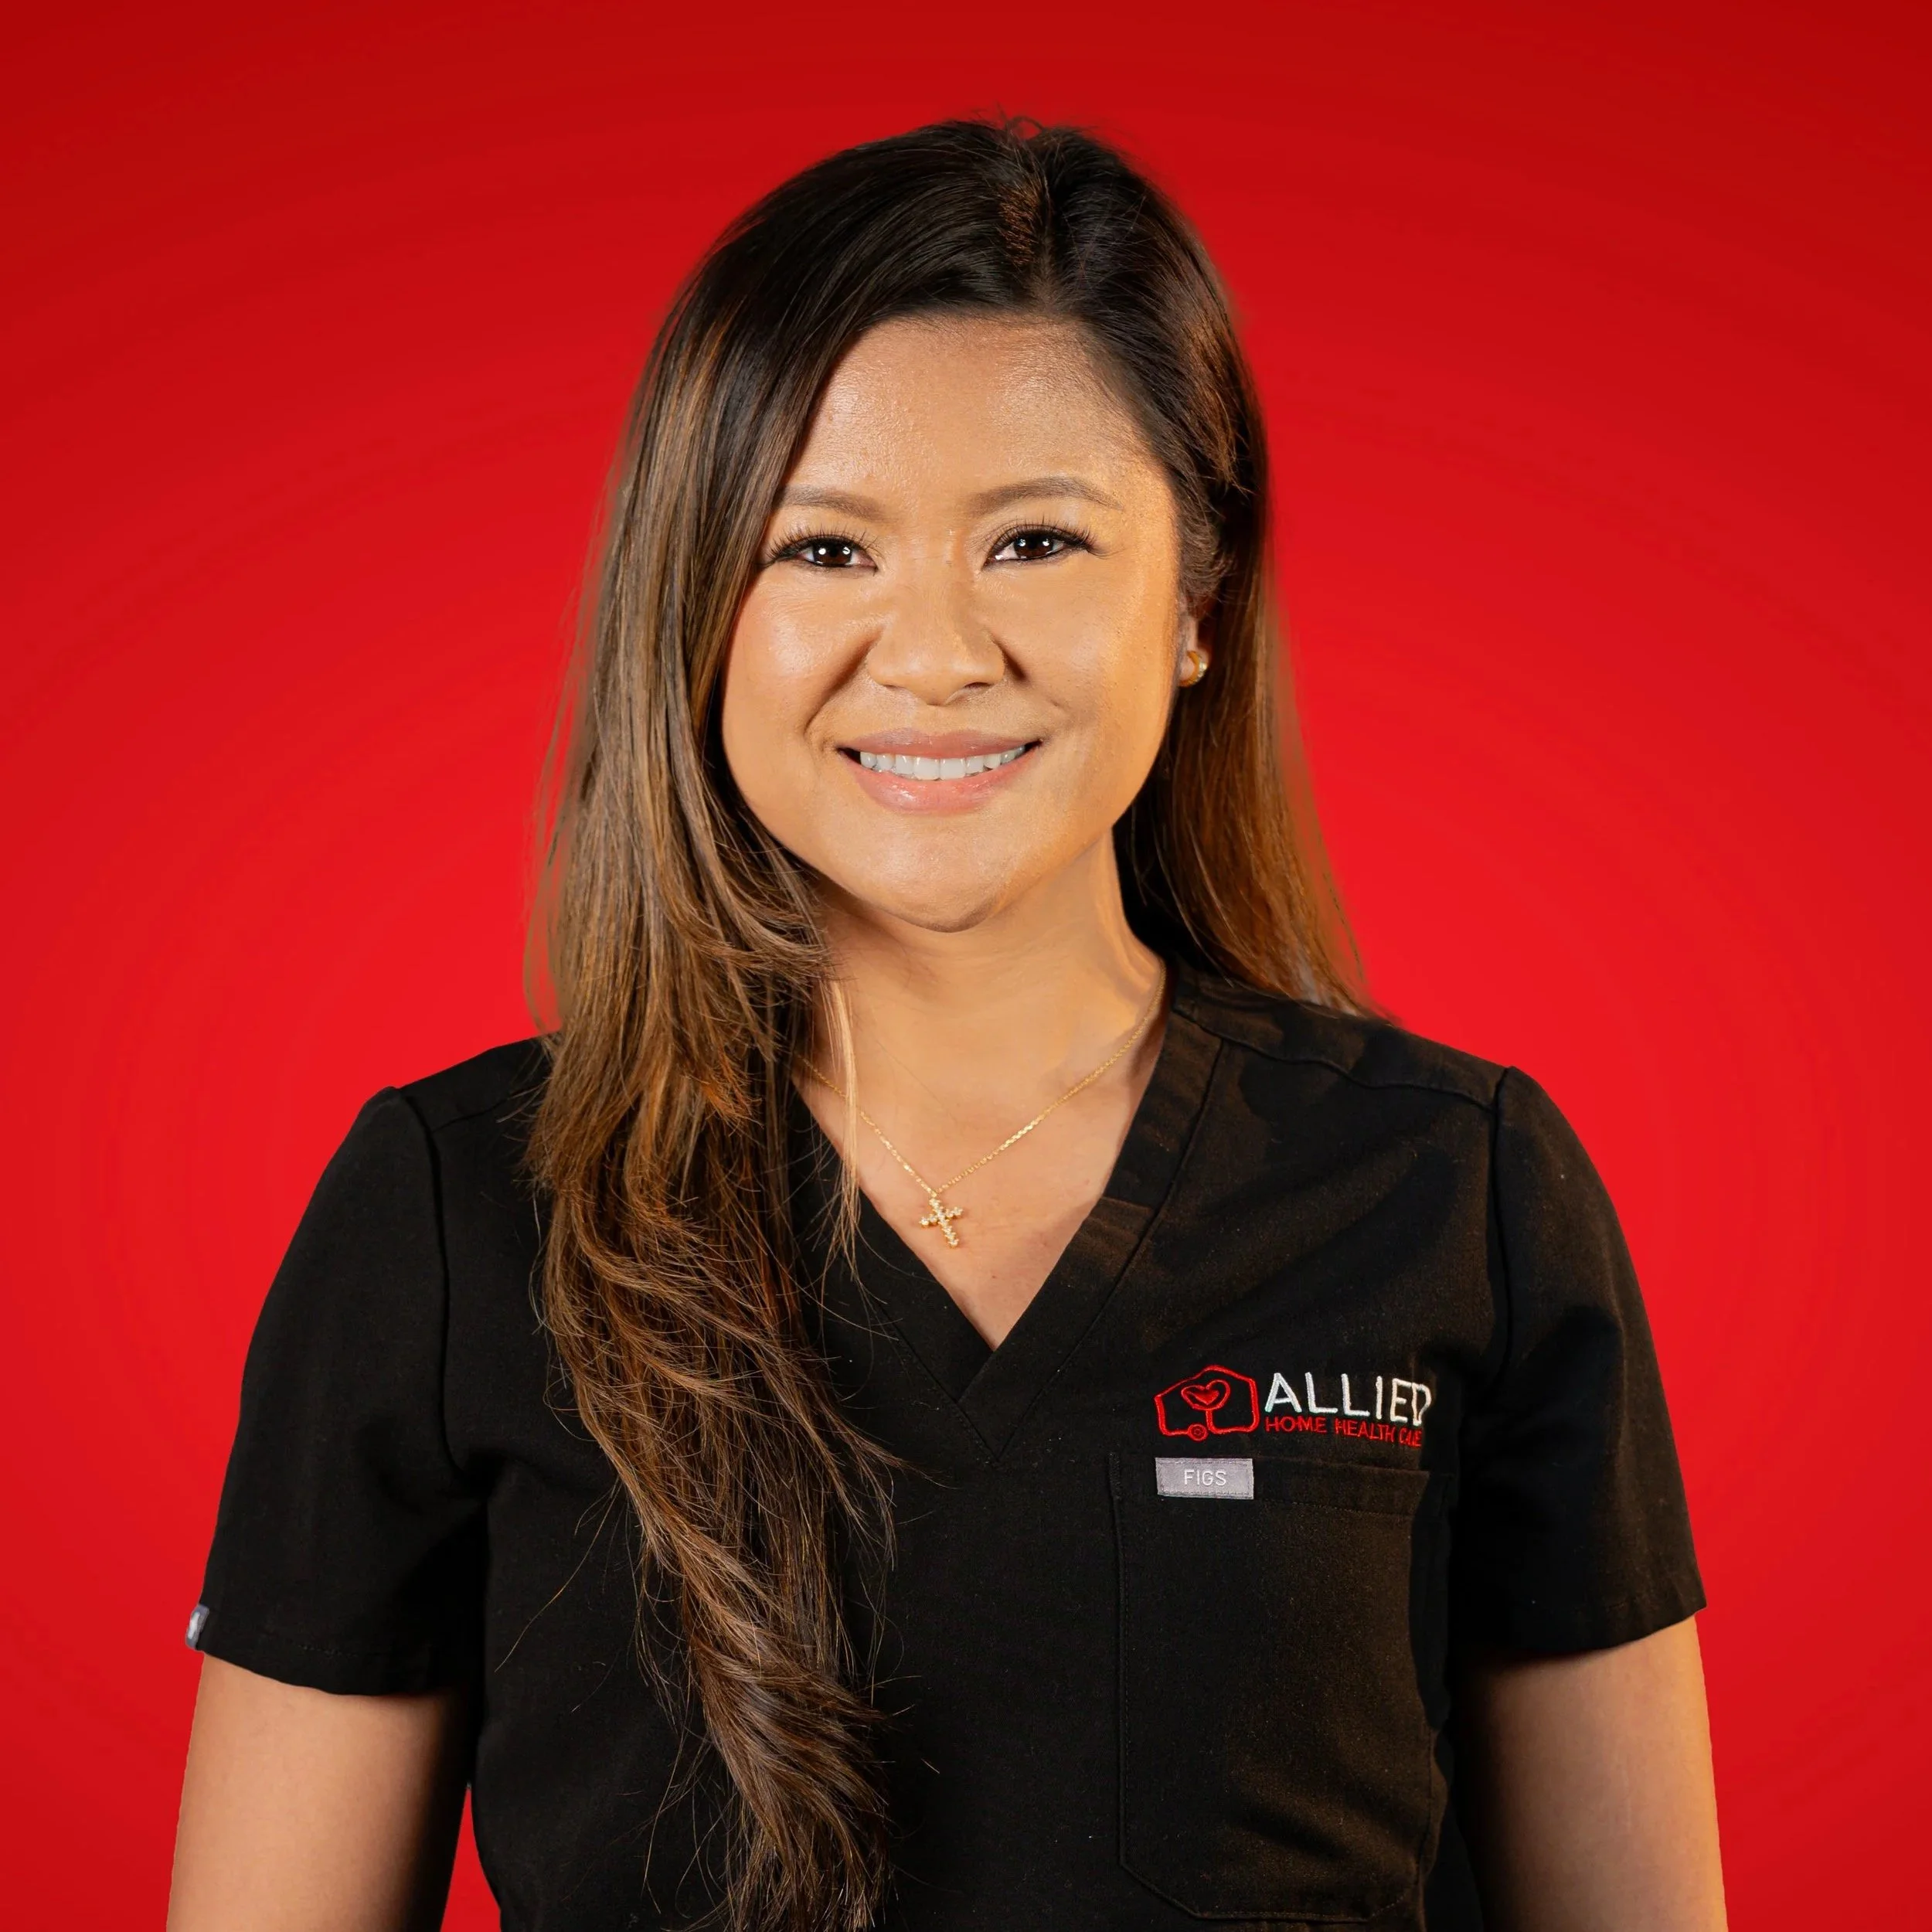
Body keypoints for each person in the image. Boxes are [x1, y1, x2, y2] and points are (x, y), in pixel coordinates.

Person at [168, 119, 1726, 1932]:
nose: (929, 653)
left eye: (1037, 540)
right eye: (822, 551)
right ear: (697, 608)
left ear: (1198, 600)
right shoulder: (446, 1216)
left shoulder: (1454, 1193)